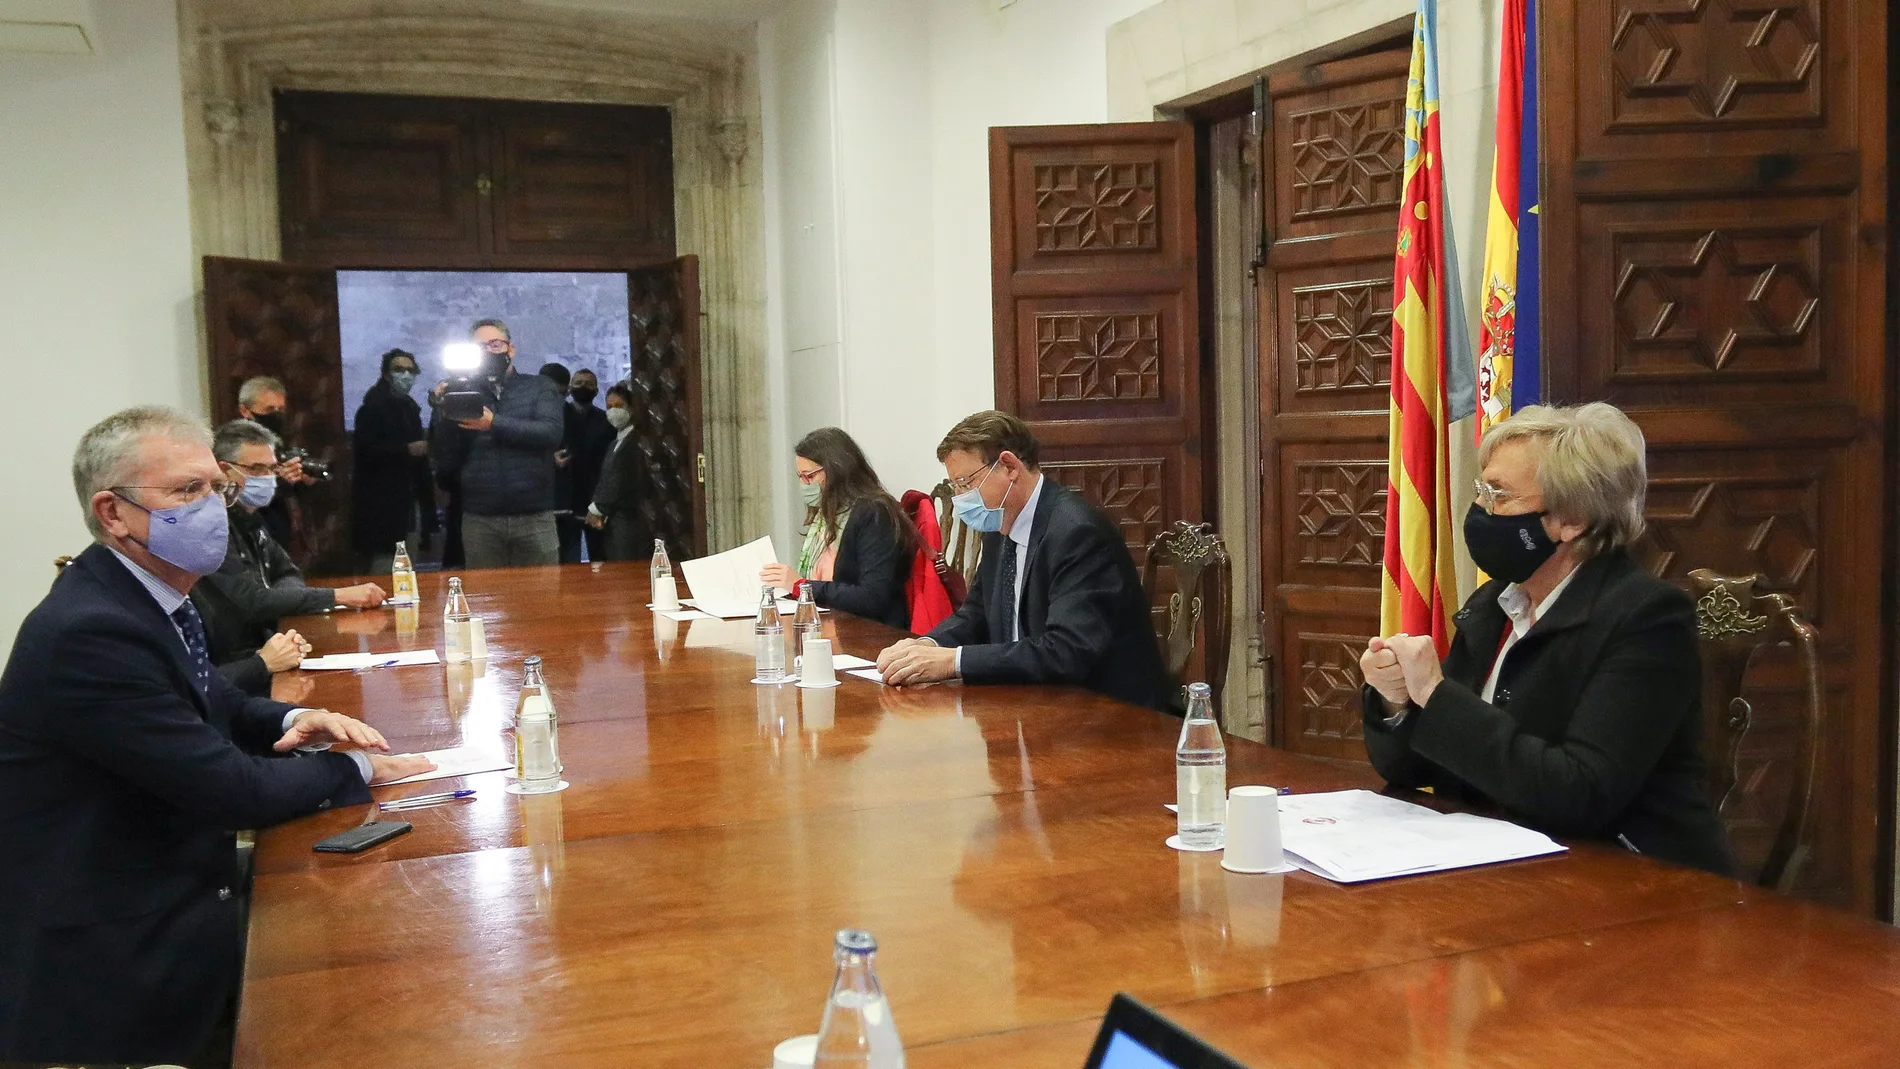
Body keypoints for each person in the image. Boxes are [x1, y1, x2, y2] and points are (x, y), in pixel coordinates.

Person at [0, 406, 432, 1065]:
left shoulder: (150, 589)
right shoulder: (90, 629)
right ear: (113, 513)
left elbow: (211, 694)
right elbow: (228, 789)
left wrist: (291, 719)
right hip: (119, 945)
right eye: (185, 491)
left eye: (215, 486)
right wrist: (360, 771)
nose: (213, 508)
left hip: (173, 890)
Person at [1358, 402, 1735, 876]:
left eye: (1499, 495)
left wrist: (1436, 696)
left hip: (1636, 885)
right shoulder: (1496, 606)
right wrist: (1398, 704)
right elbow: (1419, 769)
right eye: (1481, 491)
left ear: (1571, 520)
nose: (1479, 510)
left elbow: (1579, 795)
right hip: (1510, 868)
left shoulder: (1646, 618)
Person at [875, 411, 1174, 712]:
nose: (961, 499)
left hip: (1110, 716)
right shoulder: (1001, 523)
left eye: (966, 483)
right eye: (955, 487)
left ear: (1009, 466)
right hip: (1035, 703)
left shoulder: (1077, 532)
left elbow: (1066, 651)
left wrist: (954, 662)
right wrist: (928, 645)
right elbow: (977, 612)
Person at [192, 420, 388, 685]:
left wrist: (281, 596)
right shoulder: (214, 527)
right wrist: (338, 595)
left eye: (271, 469)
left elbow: (287, 570)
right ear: (224, 470)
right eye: (256, 469)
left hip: (269, 646)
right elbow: (250, 602)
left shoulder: (251, 519)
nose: (267, 477)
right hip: (239, 662)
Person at [429, 318, 565, 568]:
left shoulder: (538, 387)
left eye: (494, 344)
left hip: (534, 514)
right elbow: (444, 454)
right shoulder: (461, 392)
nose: (488, 351)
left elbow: (550, 433)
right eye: (480, 347)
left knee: (542, 600)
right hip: (480, 516)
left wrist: (494, 423)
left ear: (510, 349)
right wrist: (441, 408)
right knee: (486, 600)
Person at [759, 428, 915, 631]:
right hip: (833, 626)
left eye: (809, 476)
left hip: (870, 634)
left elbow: (872, 598)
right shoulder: (826, 514)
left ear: (837, 470)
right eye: (800, 477)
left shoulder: (874, 513)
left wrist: (802, 586)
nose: (804, 485)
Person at [352, 348, 433, 574]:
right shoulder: (371, 409)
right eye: (399, 370)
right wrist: (406, 450)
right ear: (387, 374)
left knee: (408, 565)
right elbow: (366, 453)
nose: (405, 375)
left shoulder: (409, 407)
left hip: (409, 499)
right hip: (382, 503)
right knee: (386, 567)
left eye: (410, 370)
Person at [235, 375, 310, 551]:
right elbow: (241, 492)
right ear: (245, 411)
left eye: (280, 410)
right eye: (269, 410)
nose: (276, 416)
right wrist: (279, 480)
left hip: (281, 531)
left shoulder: (278, 440)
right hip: (249, 530)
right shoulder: (234, 444)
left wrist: (303, 479)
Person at [585, 382, 649, 560]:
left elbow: (619, 478)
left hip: (628, 516)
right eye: (609, 407)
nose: (613, 411)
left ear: (632, 408)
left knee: (625, 562)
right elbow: (605, 478)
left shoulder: (635, 440)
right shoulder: (615, 442)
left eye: (619, 406)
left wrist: (596, 509)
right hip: (612, 517)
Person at [561, 368, 614, 563]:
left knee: (600, 556)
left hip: (595, 497)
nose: (583, 387)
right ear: (570, 388)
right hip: (565, 498)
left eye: (589, 384)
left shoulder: (605, 421)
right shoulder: (559, 417)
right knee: (567, 559)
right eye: (579, 383)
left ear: (597, 390)